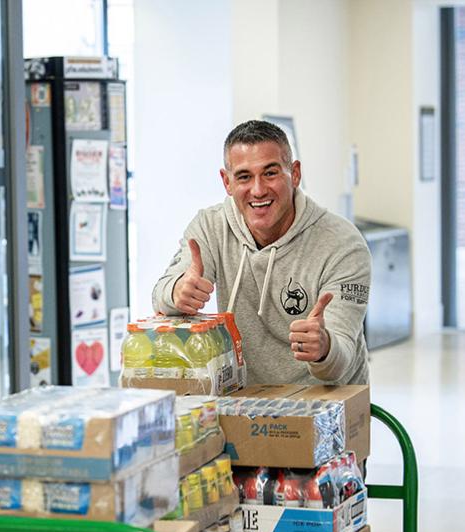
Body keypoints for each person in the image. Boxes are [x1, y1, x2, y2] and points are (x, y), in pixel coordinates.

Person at [152, 120, 371, 385]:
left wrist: (323, 348)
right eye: (244, 177)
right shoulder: (211, 227)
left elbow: (341, 359)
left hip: (328, 406)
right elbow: (160, 294)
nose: (258, 190)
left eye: (270, 173)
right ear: (227, 182)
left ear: (295, 174)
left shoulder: (342, 244)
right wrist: (177, 292)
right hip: (247, 401)